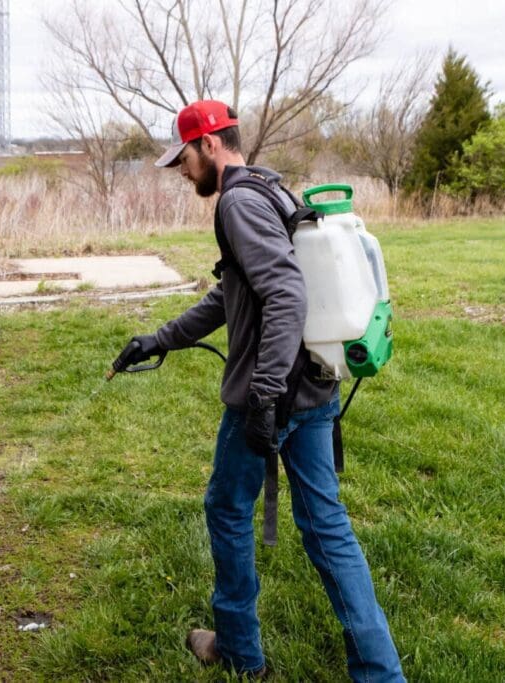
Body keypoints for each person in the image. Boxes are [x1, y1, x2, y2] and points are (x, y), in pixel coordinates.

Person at [116, 100, 405, 682]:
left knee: (225, 509)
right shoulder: (272, 191)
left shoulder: (238, 203)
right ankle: (381, 674)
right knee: (328, 527)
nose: (182, 170)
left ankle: (241, 654)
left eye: (185, 157)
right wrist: (160, 340)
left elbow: (286, 296)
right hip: (317, 388)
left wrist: (265, 395)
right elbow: (234, 295)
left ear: (212, 145)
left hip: (273, 395)